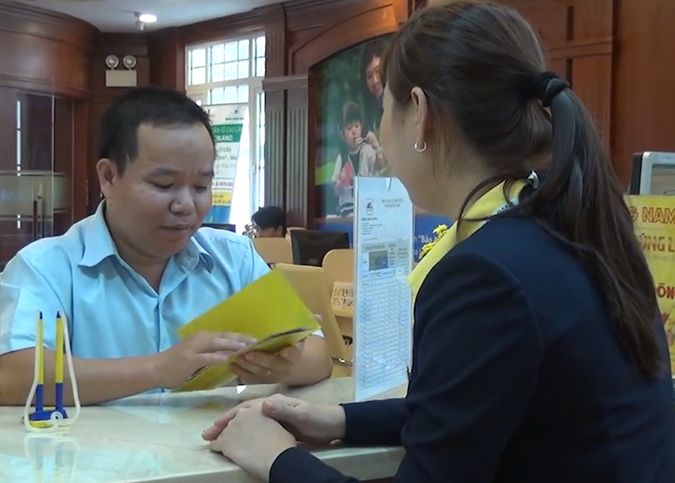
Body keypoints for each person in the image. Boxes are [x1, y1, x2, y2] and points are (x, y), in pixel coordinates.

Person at [201, 2, 675, 483]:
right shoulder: (576, 229)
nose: (381, 132)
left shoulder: (486, 274)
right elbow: (472, 407)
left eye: (384, 109)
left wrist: (276, 457)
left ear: (420, 114)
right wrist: (340, 419)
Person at [0, 86, 333, 406]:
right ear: (109, 177)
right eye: (163, 184)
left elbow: (319, 356)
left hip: (214, 444)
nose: (186, 205)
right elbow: (11, 375)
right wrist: (158, 369)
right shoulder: (45, 268)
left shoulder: (236, 259)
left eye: (201, 186)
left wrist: (283, 364)